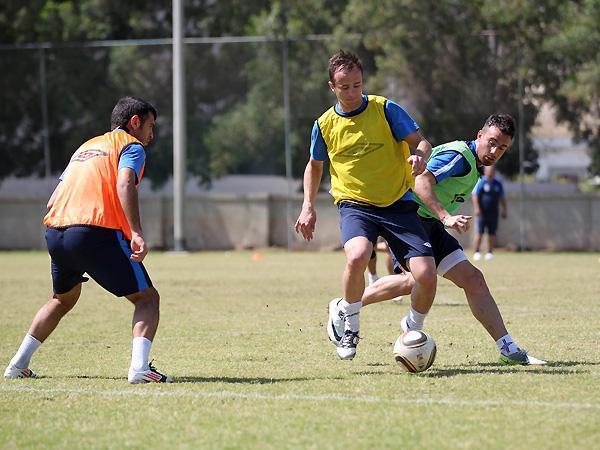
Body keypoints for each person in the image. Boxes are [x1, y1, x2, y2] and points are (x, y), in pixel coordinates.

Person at [328, 114, 546, 365]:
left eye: (502, 148)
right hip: (410, 220)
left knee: (473, 280)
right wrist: (446, 217)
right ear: (480, 135)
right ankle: (348, 307)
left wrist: (441, 218)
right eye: (492, 143)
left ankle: (508, 349)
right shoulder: (459, 157)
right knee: (415, 280)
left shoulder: (473, 163)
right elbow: (421, 181)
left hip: (429, 223)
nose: (495, 151)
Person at [4, 96, 173, 383]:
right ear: (135, 122)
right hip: (93, 231)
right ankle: (139, 369)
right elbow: (124, 183)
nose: (152, 134)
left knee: (62, 299)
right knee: (147, 299)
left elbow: (53, 200)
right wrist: (136, 233)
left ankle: (17, 365)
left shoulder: (85, 148)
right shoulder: (131, 146)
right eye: (150, 126)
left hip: (56, 231)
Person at [295, 50, 437, 360]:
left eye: (357, 85)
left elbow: (422, 142)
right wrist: (308, 205)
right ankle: (351, 328)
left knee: (426, 275)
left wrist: (420, 157)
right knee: (358, 255)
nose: (352, 93)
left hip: (397, 202)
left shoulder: (385, 109)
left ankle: (413, 328)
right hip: (355, 204)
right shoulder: (324, 124)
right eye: (344, 87)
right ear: (332, 86)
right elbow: (315, 166)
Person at [472, 165, 507, 261]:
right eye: (489, 170)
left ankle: (490, 252)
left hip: (494, 212)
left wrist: (504, 209)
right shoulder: (481, 181)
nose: (490, 172)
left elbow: (502, 197)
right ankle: (476, 252)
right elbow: (475, 195)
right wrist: (477, 208)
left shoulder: (498, 183)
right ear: (485, 171)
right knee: (479, 232)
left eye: (492, 170)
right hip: (482, 213)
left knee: (492, 233)